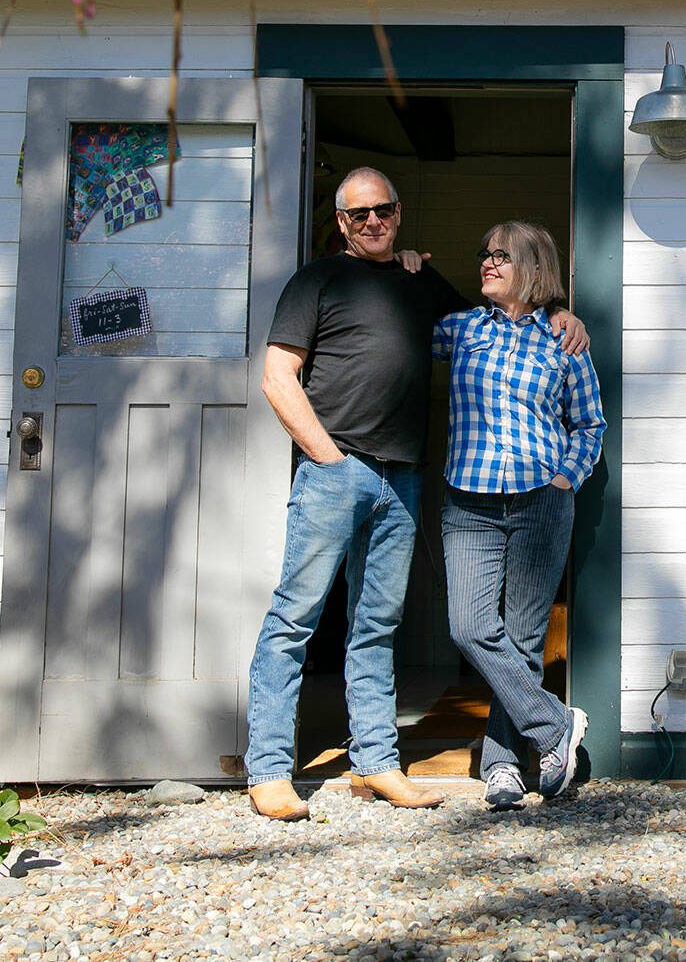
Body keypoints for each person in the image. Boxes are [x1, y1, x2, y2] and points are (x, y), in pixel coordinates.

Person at [244, 170, 585, 819]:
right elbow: (277, 376)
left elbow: (496, 326)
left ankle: (376, 763)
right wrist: (328, 455)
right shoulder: (316, 281)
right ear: (341, 223)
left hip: (402, 478)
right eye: (360, 214)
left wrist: (557, 313)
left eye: (385, 210)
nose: (374, 221)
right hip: (335, 471)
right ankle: (268, 770)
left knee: (377, 625)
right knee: (296, 617)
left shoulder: (417, 279)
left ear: (399, 213)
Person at [433, 221, 606, 809]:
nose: (487, 262)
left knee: (525, 639)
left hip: (541, 501)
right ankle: (557, 726)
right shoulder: (457, 331)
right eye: (485, 254)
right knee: (472, 628)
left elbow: (589, 423)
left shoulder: (564, 340)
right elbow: (395, 336)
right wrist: (402, 261)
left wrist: (566, 478)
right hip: (469, 502)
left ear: (532, 270)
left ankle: (503, 766)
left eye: (501, 256)